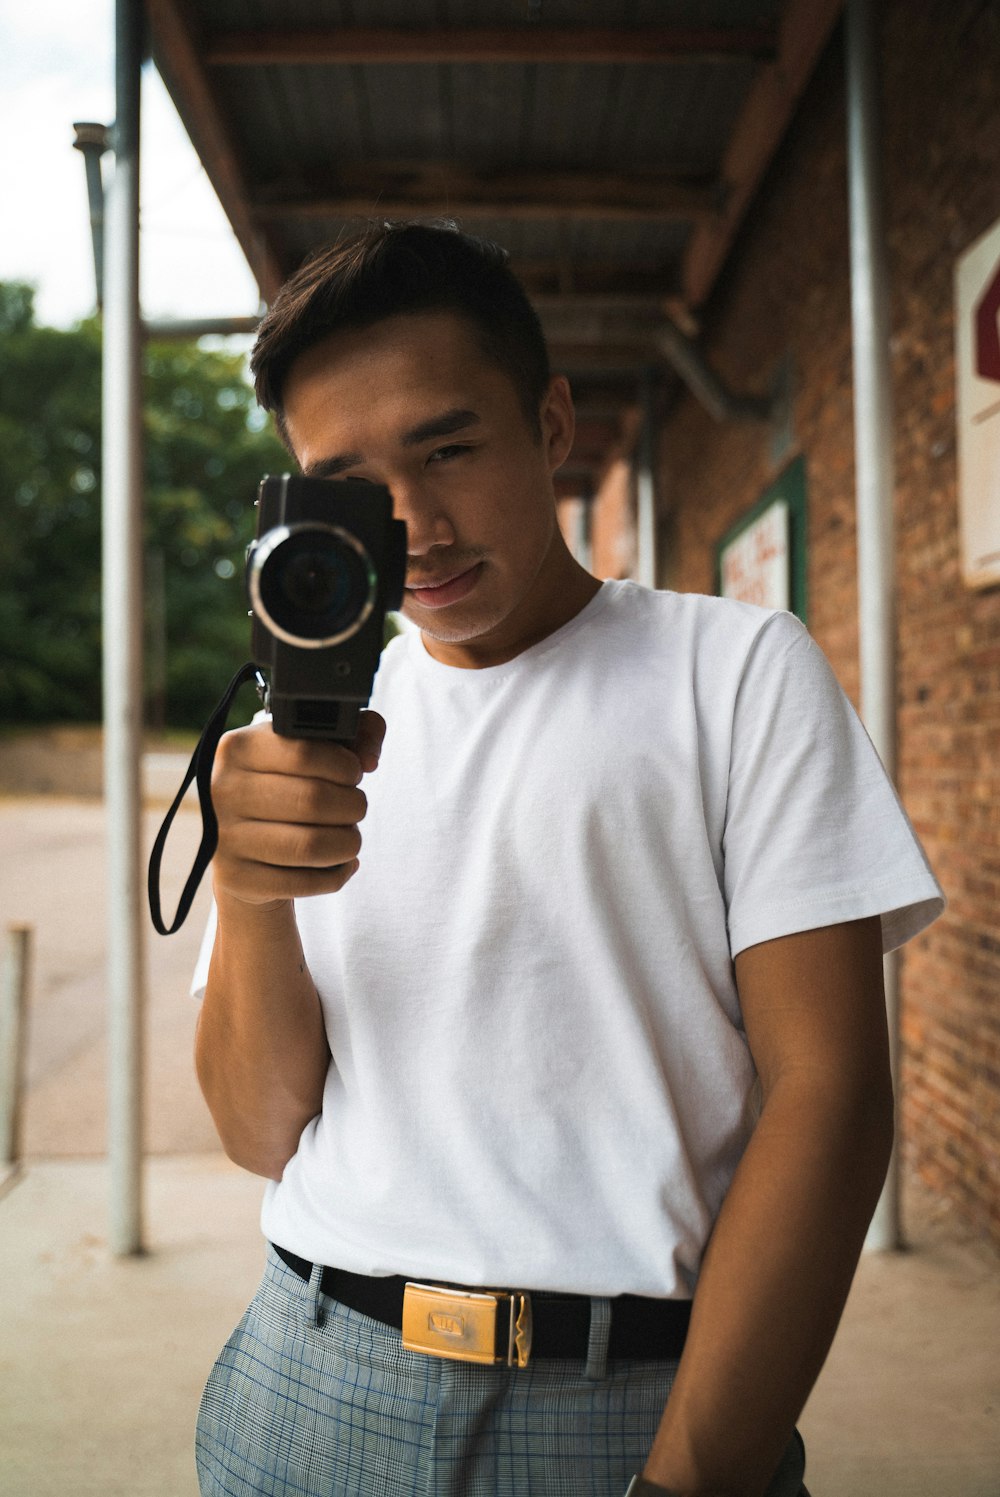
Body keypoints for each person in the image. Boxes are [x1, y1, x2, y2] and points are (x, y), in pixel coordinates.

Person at [191, 220, 943, 1497]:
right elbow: (263, 1128)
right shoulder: (296, 738)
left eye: (448, 447)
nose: (413, 524)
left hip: (628, 1394)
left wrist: (696, 1473)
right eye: (351, 481)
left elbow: (830, 1095)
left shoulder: (733, 672)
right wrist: (252, 894)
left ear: (546, 424)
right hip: (305, 1371)